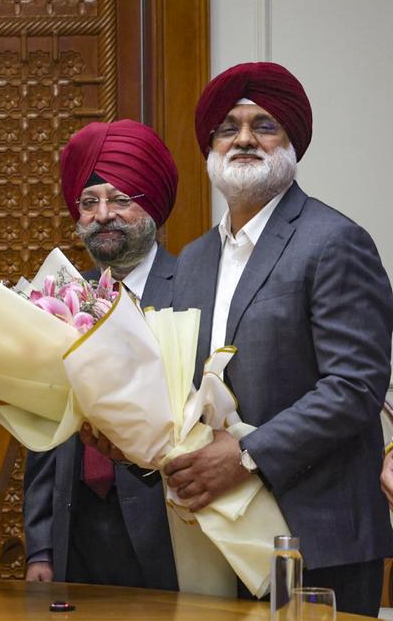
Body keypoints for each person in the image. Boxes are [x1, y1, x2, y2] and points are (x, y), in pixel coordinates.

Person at [165, 62, 393, 616]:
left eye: (264, 125)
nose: (244, 138)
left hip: (316, 536)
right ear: (210, 146)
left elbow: (354, 388)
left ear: (292, 142)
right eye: (228, 127)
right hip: (217, 532)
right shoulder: (194, 259)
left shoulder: (334, 241)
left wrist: (246, 454)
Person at [23, 120, 180, 590]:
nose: (103, 214)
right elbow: (44, 424)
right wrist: (41, 547)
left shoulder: (195, 285)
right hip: (78, 526)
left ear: (151, 204)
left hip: (167, 525)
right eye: (89, 203)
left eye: (120, 200)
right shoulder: (62, 294)